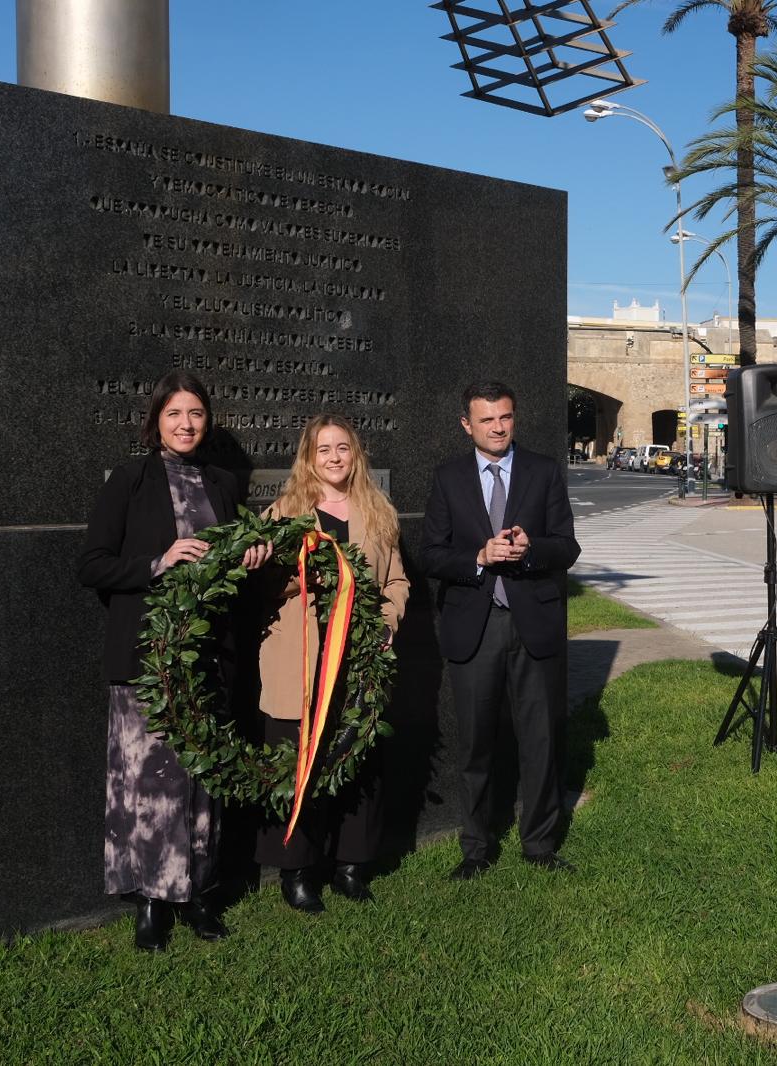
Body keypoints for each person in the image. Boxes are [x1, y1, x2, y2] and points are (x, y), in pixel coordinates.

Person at [77, 371, 271, 952]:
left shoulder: (223, 484)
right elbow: (92, 565)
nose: (186, 424)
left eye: (196, 414)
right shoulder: (130, 480)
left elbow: (232, 567)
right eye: (174, 414)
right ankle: (152, 904)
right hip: (148, 660)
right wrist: (158, 562)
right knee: (150, 783)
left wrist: (251, 555)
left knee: (203, 780)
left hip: (212, 657)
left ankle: (199, 896)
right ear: (155, 420)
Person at [422, 381, 581, 880]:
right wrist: (478, 557)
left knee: (540, 740)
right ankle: (476, 848)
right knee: (474, 744)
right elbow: (430, 554)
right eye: (486, 420)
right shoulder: (448, 477)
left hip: (534, 622)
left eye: (505, 417)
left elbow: (568, 547)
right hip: (476, 625)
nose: (497, 427)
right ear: (467, 425)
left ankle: (539, 843)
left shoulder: (544, 471)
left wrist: (532, 549)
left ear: (515, 418)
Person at [254, 415, 409, 912]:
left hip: (358, 657)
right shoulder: (284, 513)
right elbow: (259, 587)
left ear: (355, 454)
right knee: (295, 762)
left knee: (355, 760)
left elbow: (397, 583)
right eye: (324, 450)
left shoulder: (379, 512)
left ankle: (350, 865)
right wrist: (299, 584)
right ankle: (297, 871)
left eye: (343, 448)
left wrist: (386, 623)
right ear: (309, 458)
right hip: (299, 659)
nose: (335, 457)